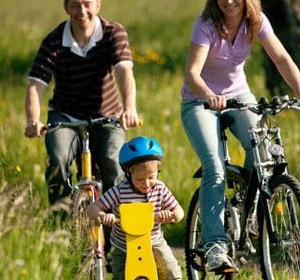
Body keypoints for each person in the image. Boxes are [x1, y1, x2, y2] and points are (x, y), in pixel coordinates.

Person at [180, 0, 300, 273]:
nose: (228, 1)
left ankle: (250, 211)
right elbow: (192, 73)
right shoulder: (205, 25)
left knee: (263, 151)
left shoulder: (256, 22)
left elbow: (281, 58)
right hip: (200, 101)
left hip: (238, 95)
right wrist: (209, 95)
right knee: (215, 168)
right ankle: (214, 245)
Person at [24, 0, 140, 206]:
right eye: (75, 5)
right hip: (65, 115)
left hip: (107, 115)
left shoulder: (113, 32)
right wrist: (33, 120)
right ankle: (60, 222)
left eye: (87, 3)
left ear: (98, 5)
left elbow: (124, 72)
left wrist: (129, 108)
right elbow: (36, 85)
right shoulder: (54, 41)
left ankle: (117, 225)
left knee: (113, 162)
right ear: (66, 7)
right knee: (57, 160)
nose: (82, 11)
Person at [87, 136, 184, 280]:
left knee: (171, 271)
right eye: (139, 179)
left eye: (151, 177)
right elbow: (91, 209)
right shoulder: (119, 191)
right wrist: (102, 216)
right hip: (123, 246)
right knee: (122, 276)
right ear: (128, 174)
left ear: (158, 170)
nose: (146, 183)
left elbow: (179, 212)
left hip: (154, 242)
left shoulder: (160, 189)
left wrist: (170, 215)